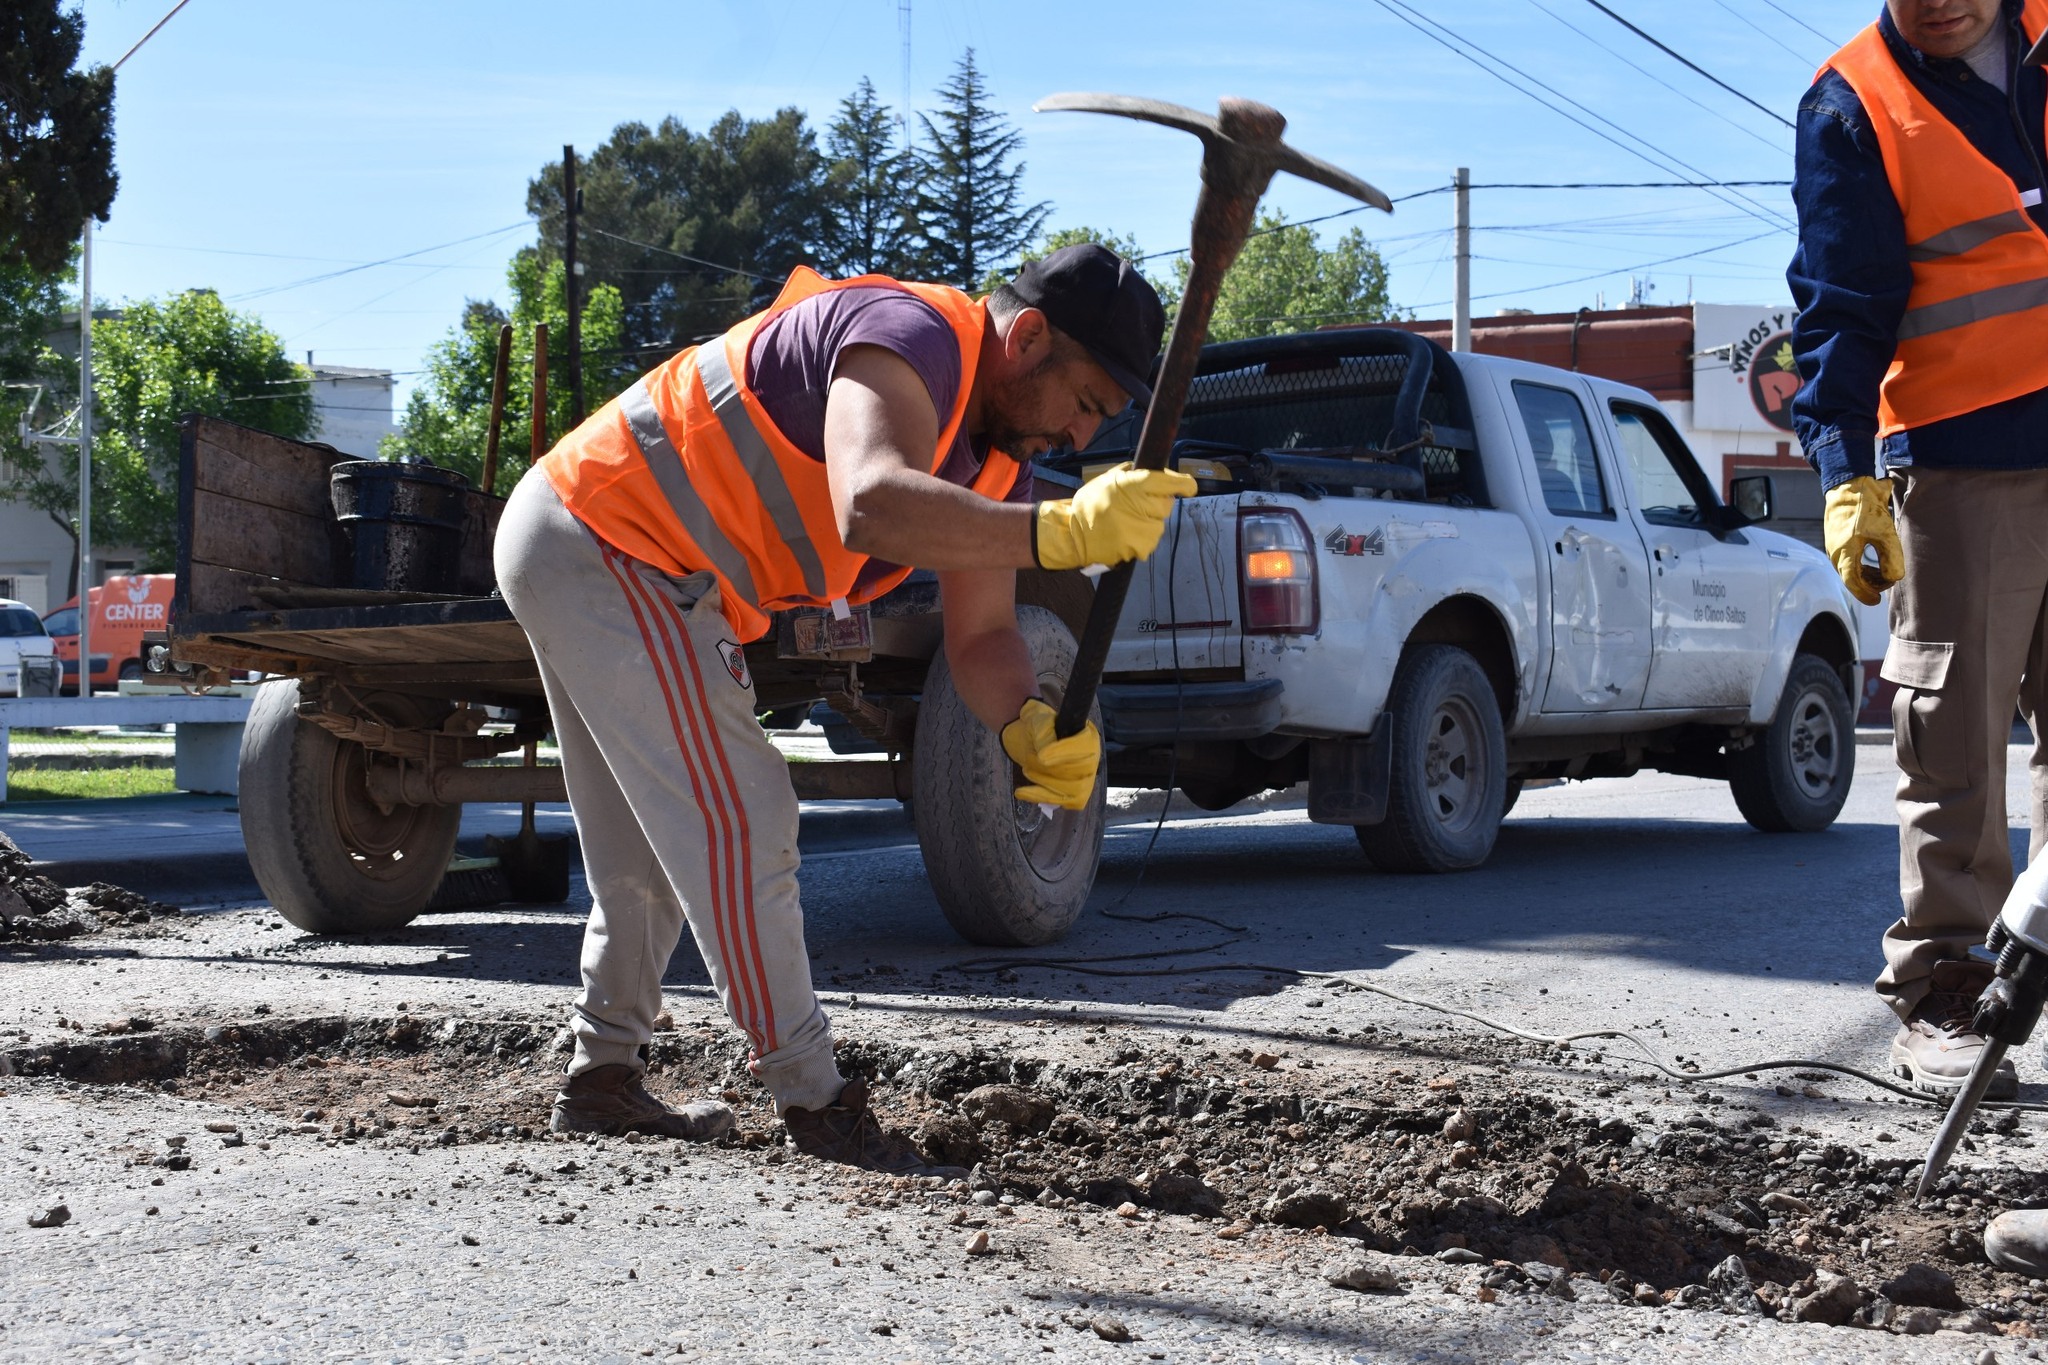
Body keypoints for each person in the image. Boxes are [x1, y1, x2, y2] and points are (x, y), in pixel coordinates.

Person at [492, 243, 1193, 1172]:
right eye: (1086, 405)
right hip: (612, 539)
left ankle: (601, 1077)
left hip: (604, 545)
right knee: (743, 817)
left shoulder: (993, 467)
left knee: (654, 844)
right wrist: (1060, 531)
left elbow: (981, 637)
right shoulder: (910, 336)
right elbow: (869, 502)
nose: (1078, 439)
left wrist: (1024, 723)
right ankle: (816, 1102)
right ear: (1027, 339)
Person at [1789, 0, 2048, 1113]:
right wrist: (1845, 470)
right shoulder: (1855, 101)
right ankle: (1945, 985)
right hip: (1961, 457)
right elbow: (1838, 302)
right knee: (1954, 741)